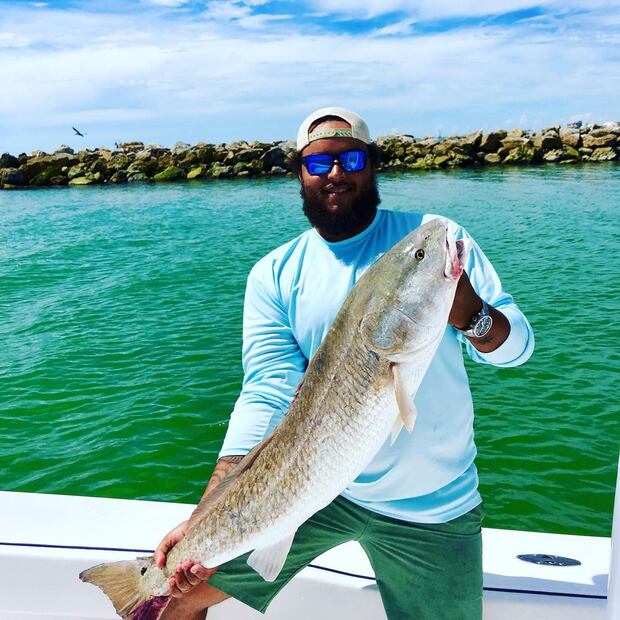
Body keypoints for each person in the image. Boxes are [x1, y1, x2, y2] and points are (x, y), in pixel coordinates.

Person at [155, 107, 535, 620]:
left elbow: (517, 351)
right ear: (299, 173)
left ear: (372, 165)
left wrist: (471, 314)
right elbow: (266, 393)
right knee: (175, 595)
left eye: (351, 159)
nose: (335, 173)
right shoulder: (274, 274)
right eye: (319, 163)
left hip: (432, 501)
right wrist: (208, 511)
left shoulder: (432, 237)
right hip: (312, 487)